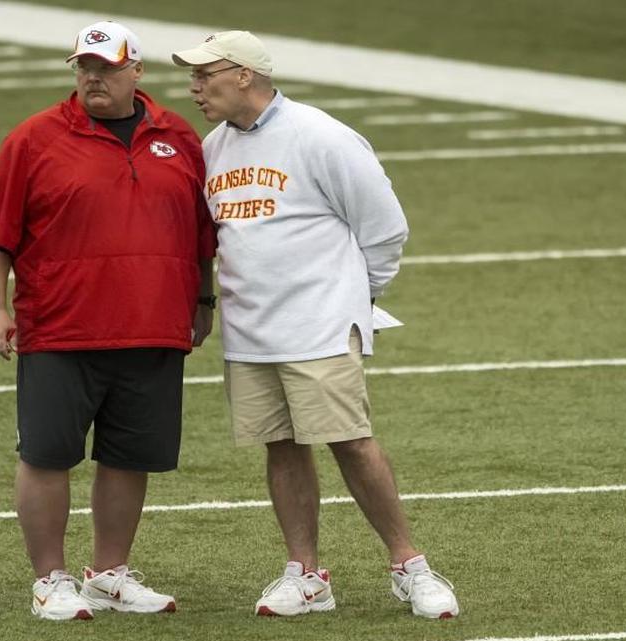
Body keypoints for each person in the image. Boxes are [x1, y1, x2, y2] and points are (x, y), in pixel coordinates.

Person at [171, 31, 459, 619]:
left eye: (206, 75)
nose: (194, 87)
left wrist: (355, 299)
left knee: (351, 442)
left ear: (245, 75)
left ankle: (411, 567)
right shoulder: (214, 147)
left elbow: (385, 229)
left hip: (321, 326)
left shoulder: (320, 135)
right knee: (280, 446)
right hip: (250, 332)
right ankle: (305, 574)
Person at [0, 20, 217, 621]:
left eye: (106, 68)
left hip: (154, 325)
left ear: (137, 72)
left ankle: (109, 575)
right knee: (48, 455)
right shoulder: (33, 138)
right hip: (61, 325)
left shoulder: (178, 137)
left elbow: (202, 234)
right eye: (84, 67)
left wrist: (202, 303)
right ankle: (49, 580)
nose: (93, 78)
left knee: (131, 456)